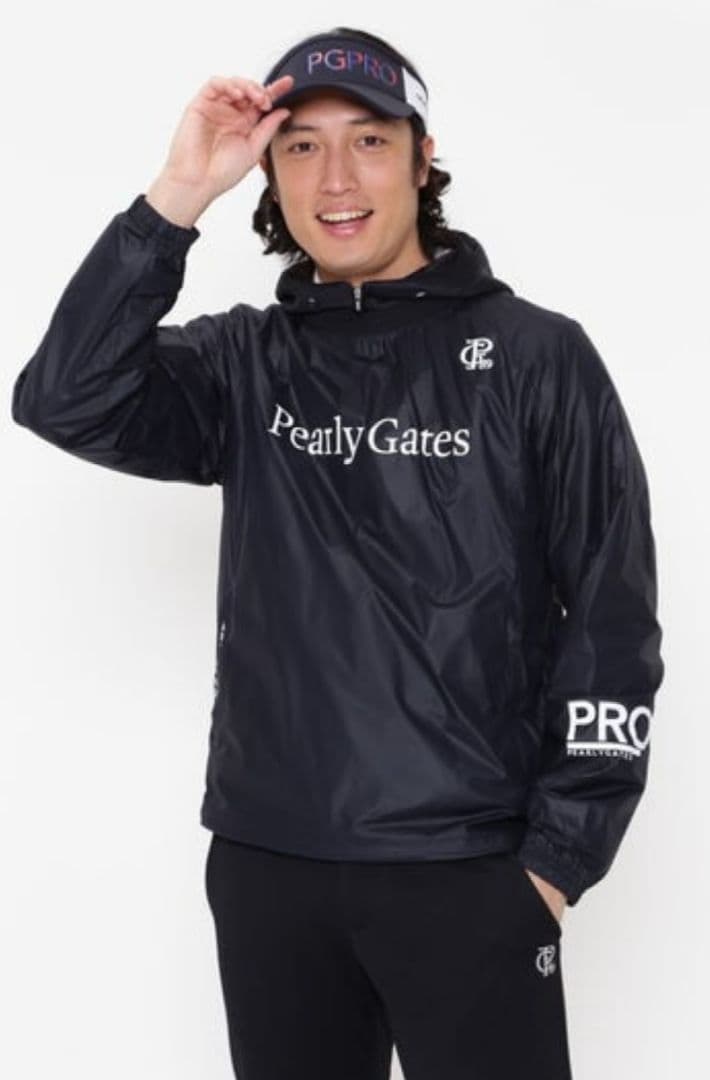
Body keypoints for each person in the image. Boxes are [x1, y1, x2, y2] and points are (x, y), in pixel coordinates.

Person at [11, 24, 665, 1080]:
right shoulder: (244, 363)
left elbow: (611, 616)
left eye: (368, 140)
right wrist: (177, 197)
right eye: (302, 147)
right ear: (270, 173)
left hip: (465, 867)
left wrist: (554, 860)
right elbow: (63, 397)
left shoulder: (537, 357)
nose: (336, 180)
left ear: (422, 157)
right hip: (270, 864)